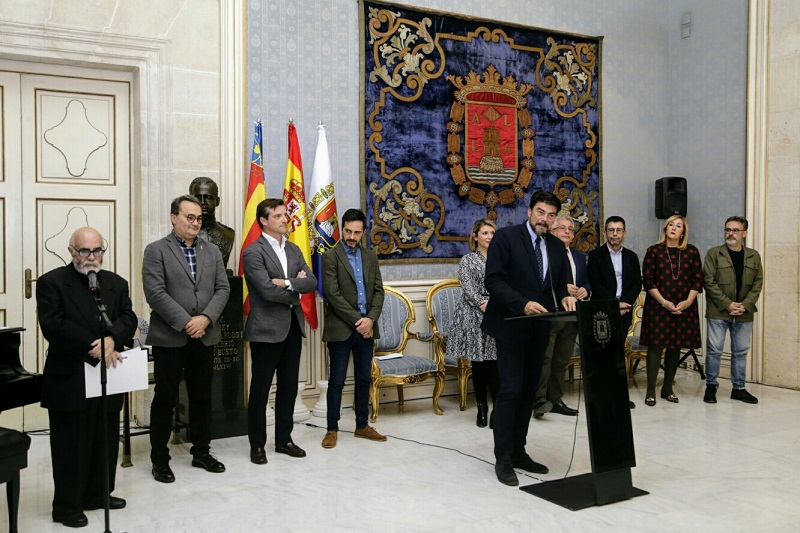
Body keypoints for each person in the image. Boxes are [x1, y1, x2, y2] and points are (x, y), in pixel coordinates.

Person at [37, 227, 137, 528]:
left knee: (104, 439)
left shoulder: (116, 283)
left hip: (108, 375)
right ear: (72, 252)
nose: (92, 257)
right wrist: (94, 346)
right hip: (70, 376)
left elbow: (128, 317)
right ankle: (67, 506)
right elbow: (53, 325)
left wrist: (112, 338)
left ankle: (98, 495)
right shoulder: (52, 282)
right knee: (71, 445)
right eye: (85, 251)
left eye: (97, 250)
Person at [482, 190, 576, 486]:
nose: (544, 219)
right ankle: (503, 458)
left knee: (528, 391)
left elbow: (558, 285)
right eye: (540, 212)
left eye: (550, 215)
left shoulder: (557, 247)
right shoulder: (506, 237)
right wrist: (521, 303)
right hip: (511, 325)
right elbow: (493, 279)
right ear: (529, 211)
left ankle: (519, 451)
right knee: (510, 390)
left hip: (540, 329)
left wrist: (565, 296)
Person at [143, 195, 231, 483]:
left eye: (198, 218)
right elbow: (155, 293)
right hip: (170, 338)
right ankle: (160, 459)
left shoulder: (212, 251)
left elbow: (223, 289)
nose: (195, 223)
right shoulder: (156, 250)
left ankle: (201, 451)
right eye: (189, 217)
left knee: (202, 397)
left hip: (205, 336)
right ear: (174, 218)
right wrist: (186, 322)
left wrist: (205, 319)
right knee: (165, 399)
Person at [242, 198, 317, 464]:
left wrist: (285, 283)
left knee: (288, 388)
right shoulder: (253, 252)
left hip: (292, 329)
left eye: (285, 215)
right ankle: (257, 445)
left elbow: (312, 281)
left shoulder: (294, 249)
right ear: (263, 221)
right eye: (278, 216)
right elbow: (265, 291)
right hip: (265, 330)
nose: (285, 219)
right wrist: (295, 288)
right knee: (260, 390)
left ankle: (284, 440)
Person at [320, 208, 386, 449]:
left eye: (356, 232)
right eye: (348, 231)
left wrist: (370, 319)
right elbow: (333, 295)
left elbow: (379, 291)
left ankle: (362, 425)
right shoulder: (330, 256)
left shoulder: (370, 257)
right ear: (342, 229)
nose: (351, 236)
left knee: (363, 378)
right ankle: (332, 429)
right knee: (336, 381)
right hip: (341, 329)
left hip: (367, 330)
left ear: (363, 233)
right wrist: (360, 321)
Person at [639, 214, 703, 406]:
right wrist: (664, 302)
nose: (674, 228)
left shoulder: (692, 252)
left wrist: (688, 302)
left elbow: (697, 280)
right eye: (671, 225)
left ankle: (667, 388)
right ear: (665, 229)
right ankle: (651, 391)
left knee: (675, 346)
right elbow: (648, 281)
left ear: (683, 232)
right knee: (655, 346)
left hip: (684, 307)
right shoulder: (654, 251)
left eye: (678, 226)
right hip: (658, 306)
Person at [702, 216, 763, 404]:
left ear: (744, 233)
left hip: (744, 312)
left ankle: (739, 389)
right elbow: (708, 281)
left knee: (740, 352)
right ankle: (711, 386)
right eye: (727, 229)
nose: (730, 233)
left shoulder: (754, 256)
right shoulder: (714, 254)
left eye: (735, 230)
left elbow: (758, 283)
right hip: (718, 311)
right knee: (714, 350)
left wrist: (745, 305)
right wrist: (727, 303)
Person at [534, 215, 589, 419]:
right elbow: (538, 281)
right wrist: (562, 289)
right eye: (562, 228)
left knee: (561, 360)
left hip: (572, 315)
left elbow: (587, 281)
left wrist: (585, 290)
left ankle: (555, 399)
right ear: (552, 231)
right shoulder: (543, 253)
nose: (567, 232)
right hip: (549, 313)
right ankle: (539, 401)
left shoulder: (579, 256)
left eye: (570, 229)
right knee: (544, 359)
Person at [446, 218, 498, 428]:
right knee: (479, 364)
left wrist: (494, 303)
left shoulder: (501, 258)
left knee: (495, 363)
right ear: (475, 236)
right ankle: (482, 408)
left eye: (492, 233)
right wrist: (481, 303)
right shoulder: (468, 259)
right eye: (485, 233)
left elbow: (507, 283)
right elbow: (467, 286)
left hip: (496, 313)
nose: (489, 237)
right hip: (473, 315)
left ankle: (497, 410)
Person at [587, 215, 642, 409]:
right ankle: (600, 395)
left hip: (625, 311)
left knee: (618, 354)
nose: (615, 234)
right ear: (605, 233)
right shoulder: (596, 256)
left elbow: (637, 283)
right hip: (603, 311)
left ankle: (619, 395)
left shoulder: (632, 257)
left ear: (624, 233)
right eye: (611, 230)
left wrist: (625, 303)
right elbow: (595, 284)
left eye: (618, 230)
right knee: (603, 354)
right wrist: (613, 304)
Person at [189, 176, 236, 267]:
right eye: (198, 197)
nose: (202, 202)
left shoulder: (228, 234)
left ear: (217, 201)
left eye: (208, 197)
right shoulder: (183, 234)